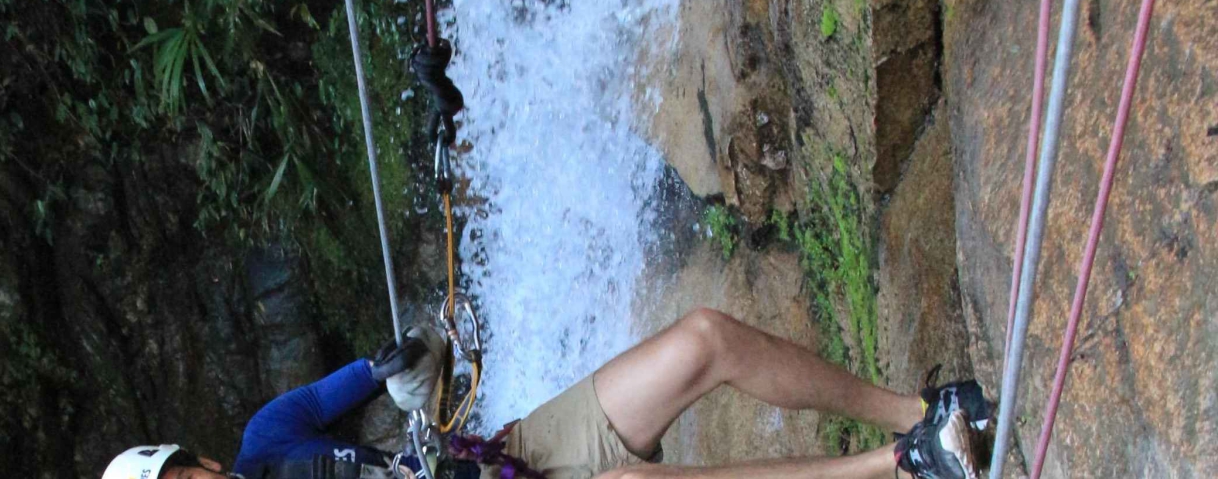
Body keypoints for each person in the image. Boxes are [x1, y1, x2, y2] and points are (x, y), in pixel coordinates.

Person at [101, 308, 993, 479]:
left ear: (203, 461)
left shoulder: (269, 436)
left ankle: (918, 412)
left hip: (507, 457)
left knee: (704, 340)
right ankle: (906, 466)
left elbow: (376, 373)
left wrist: (407, 360)